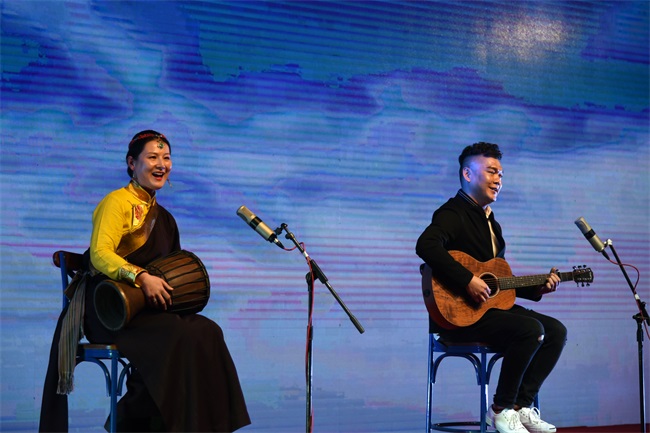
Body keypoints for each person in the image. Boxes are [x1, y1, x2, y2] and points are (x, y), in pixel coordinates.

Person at [40, 130, 251, 432]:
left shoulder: (165, 219)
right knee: (178, 334)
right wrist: (140, 276)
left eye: (166, 157)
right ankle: (134, 421)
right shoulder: (116, 202)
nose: (161, 164)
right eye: (152, 157)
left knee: (207, 332)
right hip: (109, 308)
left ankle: (202, 425)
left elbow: (172, 268)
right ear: (132, 163)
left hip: (149, 311)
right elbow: (99, 255)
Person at [415, 142, 566, 433]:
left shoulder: (492, 224)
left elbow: (497, 283)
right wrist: (466, 280)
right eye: (492, 171)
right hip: (459, 318)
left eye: (501, 174)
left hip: (489, 313)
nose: (498, 179)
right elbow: (426, 245)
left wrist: (537, 289)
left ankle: (519, 407)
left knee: (555, 331)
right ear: (468, 174)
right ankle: (499, 410)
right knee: (530, 329)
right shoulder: (453, 212)